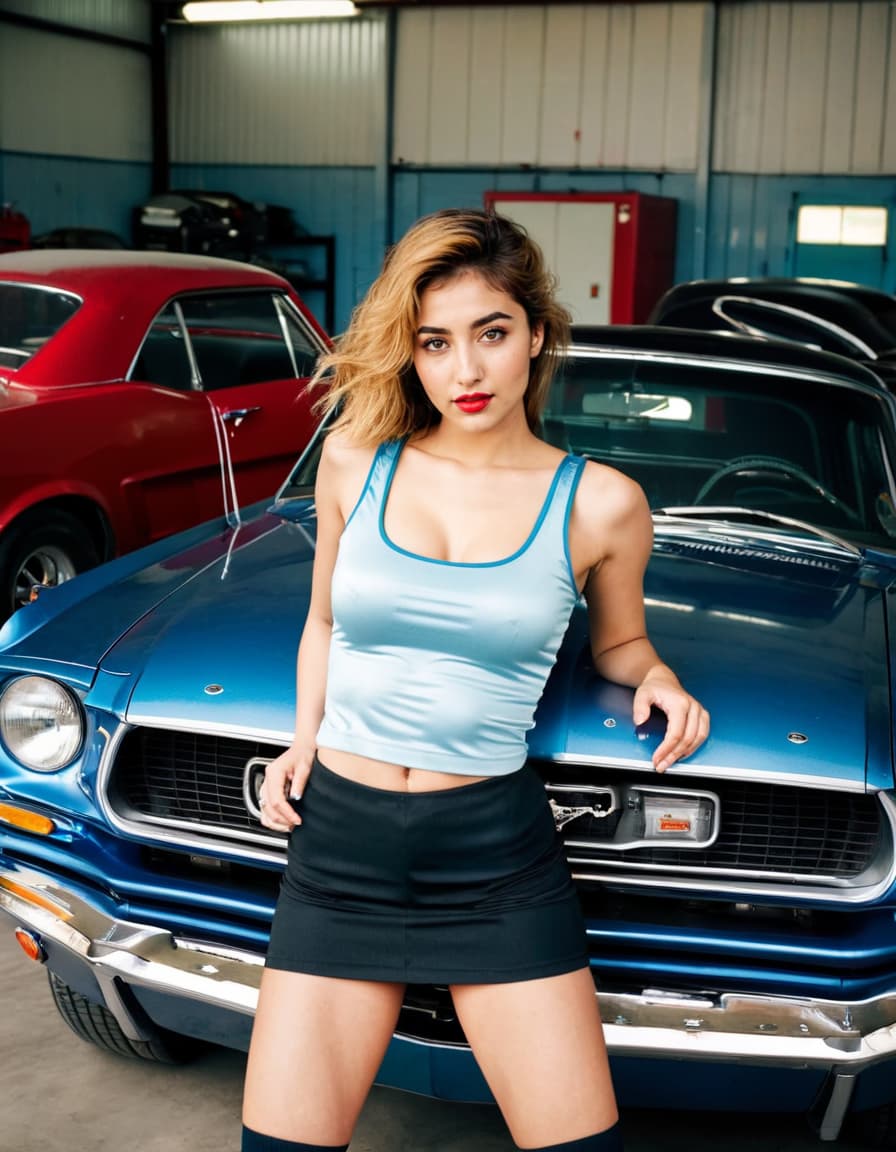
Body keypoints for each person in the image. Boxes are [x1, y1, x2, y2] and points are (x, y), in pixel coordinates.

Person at [242, 208, 710, 1152]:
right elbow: (324, 621)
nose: (466, 371)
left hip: (494, 857)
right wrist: (304, 739)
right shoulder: (354, 462)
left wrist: (655, 674)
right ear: (409, 353)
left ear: (536, 334)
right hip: (341, 849)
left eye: (491, 334)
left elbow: (618, 645)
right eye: (435, 342)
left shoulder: (603, 502)